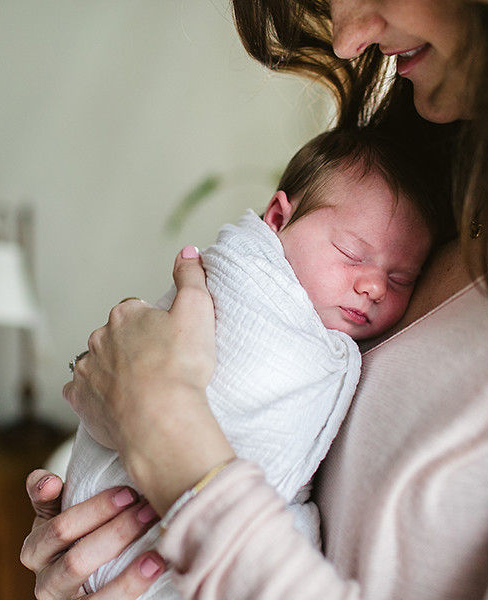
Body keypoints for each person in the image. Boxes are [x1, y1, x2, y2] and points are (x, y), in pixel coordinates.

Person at [21, 0, 488, 598]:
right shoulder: (434, 176)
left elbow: (184, 443)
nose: (345, 39)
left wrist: (165, 435)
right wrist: (108, 551)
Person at [61, 127, 437, 599]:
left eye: (400, 278)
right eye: (351, 254)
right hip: (125, 528)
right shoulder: (244, 280)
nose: (374, 287)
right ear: (278, 218)